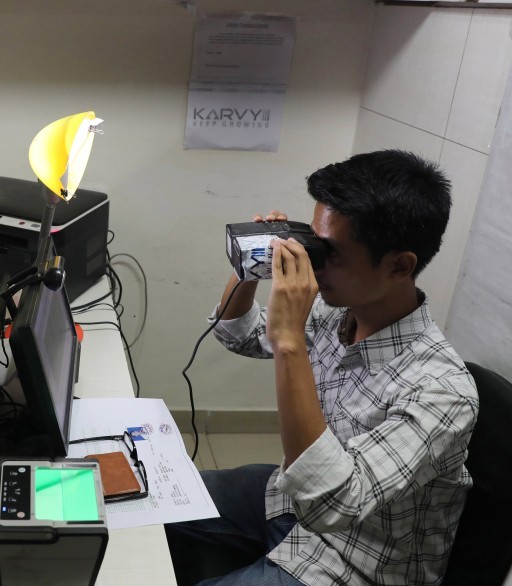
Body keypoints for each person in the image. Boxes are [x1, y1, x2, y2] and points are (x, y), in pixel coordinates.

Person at [166, 150, 479, 585]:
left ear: (399, 265)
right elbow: (237, 334)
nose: (312, 261)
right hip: (287, 502)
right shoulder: (337, 312)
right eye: (312, 241)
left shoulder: (441, 391)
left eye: (330, 252)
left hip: (355, 562)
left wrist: (290, 340)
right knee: (159, 502)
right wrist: (253, 262)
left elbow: (333, 505)